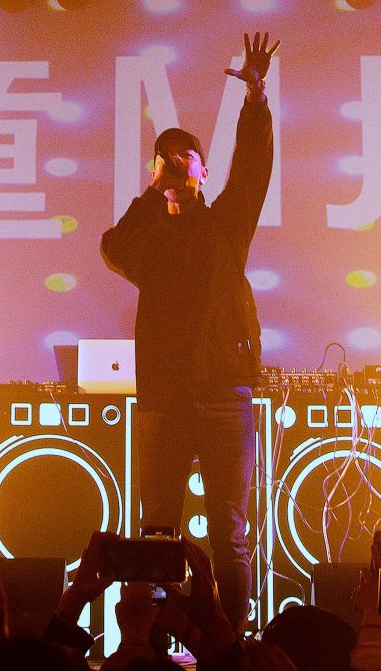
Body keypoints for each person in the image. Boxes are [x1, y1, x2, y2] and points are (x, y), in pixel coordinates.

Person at [101, 31, 279, 622]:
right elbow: (115, 247)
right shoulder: (148, 239)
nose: (178, 165)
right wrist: (155, 192)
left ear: (204, 169)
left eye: (188, 157)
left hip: (225, 393)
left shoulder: (226, 225)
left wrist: (256, 100)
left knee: (229, 532)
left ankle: (232, 641)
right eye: (166, 158)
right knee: (157, 530)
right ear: (154, 171)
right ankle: (147, 643)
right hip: (165, 397)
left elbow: (252, 170)